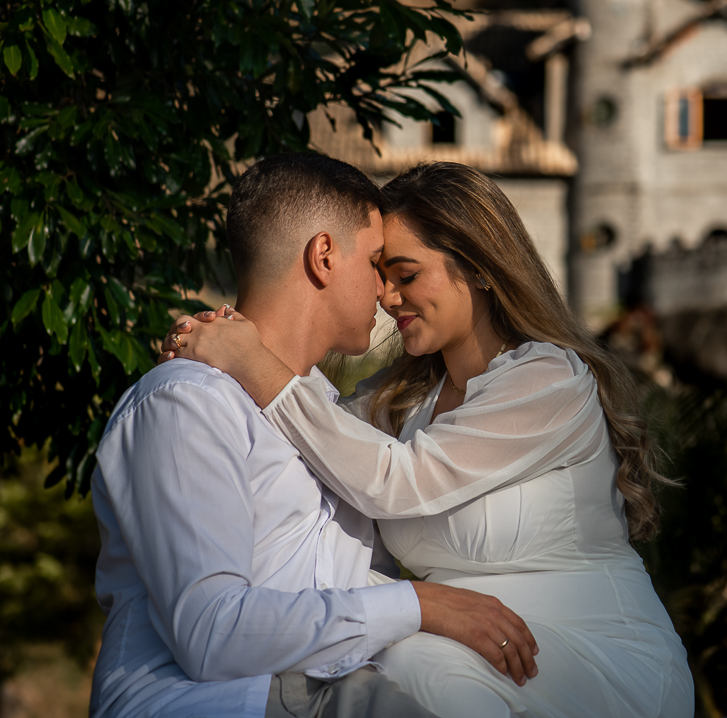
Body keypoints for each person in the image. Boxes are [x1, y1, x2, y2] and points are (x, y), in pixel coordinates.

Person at [164, 161, 694, 717]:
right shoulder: (398, 403)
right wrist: (211, 351)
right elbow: (310, 441)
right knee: (391, 665)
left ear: (481, 269)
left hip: (599, 662)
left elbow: (397, 481)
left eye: (406, 274)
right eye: (379, 273)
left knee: (409, 668)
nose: (387, 297)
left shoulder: (549, 380)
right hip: (469, 651)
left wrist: (250, 358)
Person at [90, 154, 537, 718]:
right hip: (214, 702)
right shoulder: (190, 403)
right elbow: (210, 631)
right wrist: (418, 604)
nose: (384, 292)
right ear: (324, 256)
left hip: (329, 690)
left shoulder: (339, 423)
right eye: (377, 263)